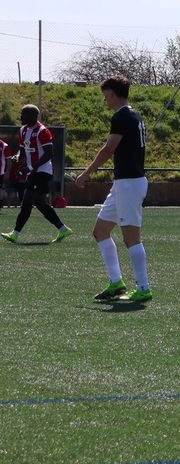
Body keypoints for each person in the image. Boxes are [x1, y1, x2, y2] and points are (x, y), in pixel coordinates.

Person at [72, 76, 151, 302]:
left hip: (129, 183)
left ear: (113, 94)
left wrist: (86, 173)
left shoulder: (122, 115)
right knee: (100, 231)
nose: (105, 100)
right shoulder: (133, 114)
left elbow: (108, 149)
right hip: (123, 184)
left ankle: (143, 287)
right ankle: (116, 282)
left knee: (131, 238)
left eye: (106, 96)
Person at [1, 104, 71, 244]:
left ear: (33, 116)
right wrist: (18, 157)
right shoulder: (23, 130)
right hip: (33, 172)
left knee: (27, 201)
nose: (20, 116)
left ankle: (15, 234)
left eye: (23, 114)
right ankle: (63, 229)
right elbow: (23, 149)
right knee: (40, 203)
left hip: (43, 172)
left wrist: (31, 166)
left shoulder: (42, 131)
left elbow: (48, 154)